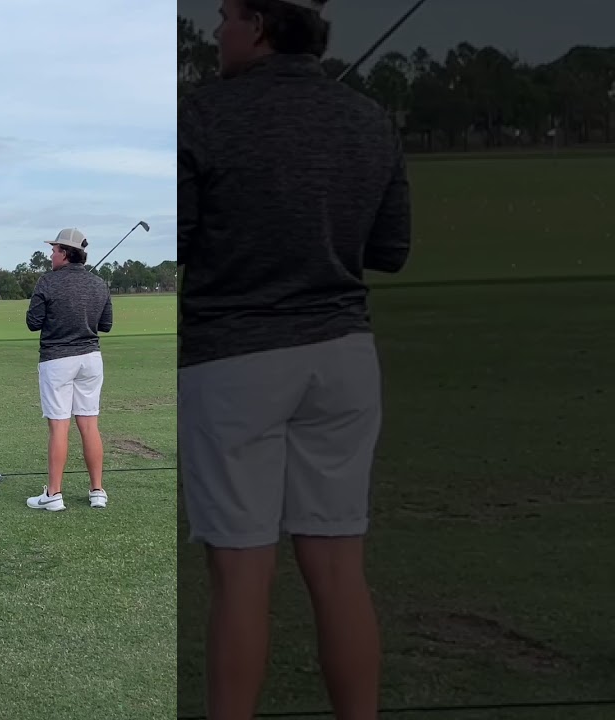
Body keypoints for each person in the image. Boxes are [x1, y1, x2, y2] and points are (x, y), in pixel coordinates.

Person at [178, 1, 411, 719]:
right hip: (343, 359)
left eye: (225, 15)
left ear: (258, 24)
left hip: (233, 365)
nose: (216, 30)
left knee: (241, 578)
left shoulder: (201, 115)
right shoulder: (368, 117)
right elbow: (390, 250)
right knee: (339, 571)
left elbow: (178, 240)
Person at [24, 228, 114, 512]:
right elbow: (106, 325)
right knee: (89, 424)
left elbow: (32, 322)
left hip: (57, 361)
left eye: (54, 250)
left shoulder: (47, 281)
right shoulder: (99, 283)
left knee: (59, 426)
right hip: (91, 359)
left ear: (65, 253)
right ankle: (97, 491)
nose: (51, 255)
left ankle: (54, 494)